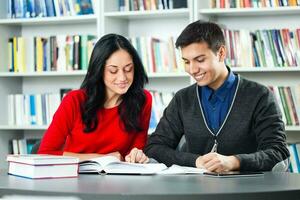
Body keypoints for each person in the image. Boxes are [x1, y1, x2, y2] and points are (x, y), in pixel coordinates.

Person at [145, 20, 290, 172]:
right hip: (196, 191)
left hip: (247, 189)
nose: (193, 69)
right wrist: (196, 161)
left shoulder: (260, 96)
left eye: (200, 60)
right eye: (186, 62)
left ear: (221, 53)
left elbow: (278, 152)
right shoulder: (182, 99)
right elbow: (154, 147)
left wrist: (235, 162)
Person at [38, 34, 151, 163]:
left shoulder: (143, 100)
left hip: (118, 179)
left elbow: (134, 152)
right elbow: (45, 153)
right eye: (113, 71)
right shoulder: (74, 101)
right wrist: (103, 158)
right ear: (99, 70)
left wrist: (137, 155)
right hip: (74, 178)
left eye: (128, 69)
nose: (122, 78)